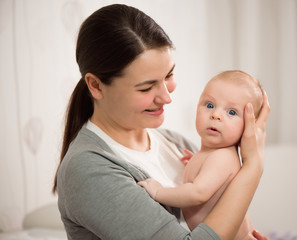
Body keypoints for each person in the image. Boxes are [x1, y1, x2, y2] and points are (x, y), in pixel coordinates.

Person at [52, 4, 270, 240]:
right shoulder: (89, 170)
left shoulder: (176, 144)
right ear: (95, 85)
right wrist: (252, 169)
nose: (167, 96)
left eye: (169, 76)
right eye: (146, 87)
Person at [138, 70, 263, 239]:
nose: (216, 115)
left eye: (232, 112)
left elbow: (197, 193)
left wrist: (159, 193)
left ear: (249, 126)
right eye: (209, 105)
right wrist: (197, 163)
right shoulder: (210, 155)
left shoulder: (223, 157)